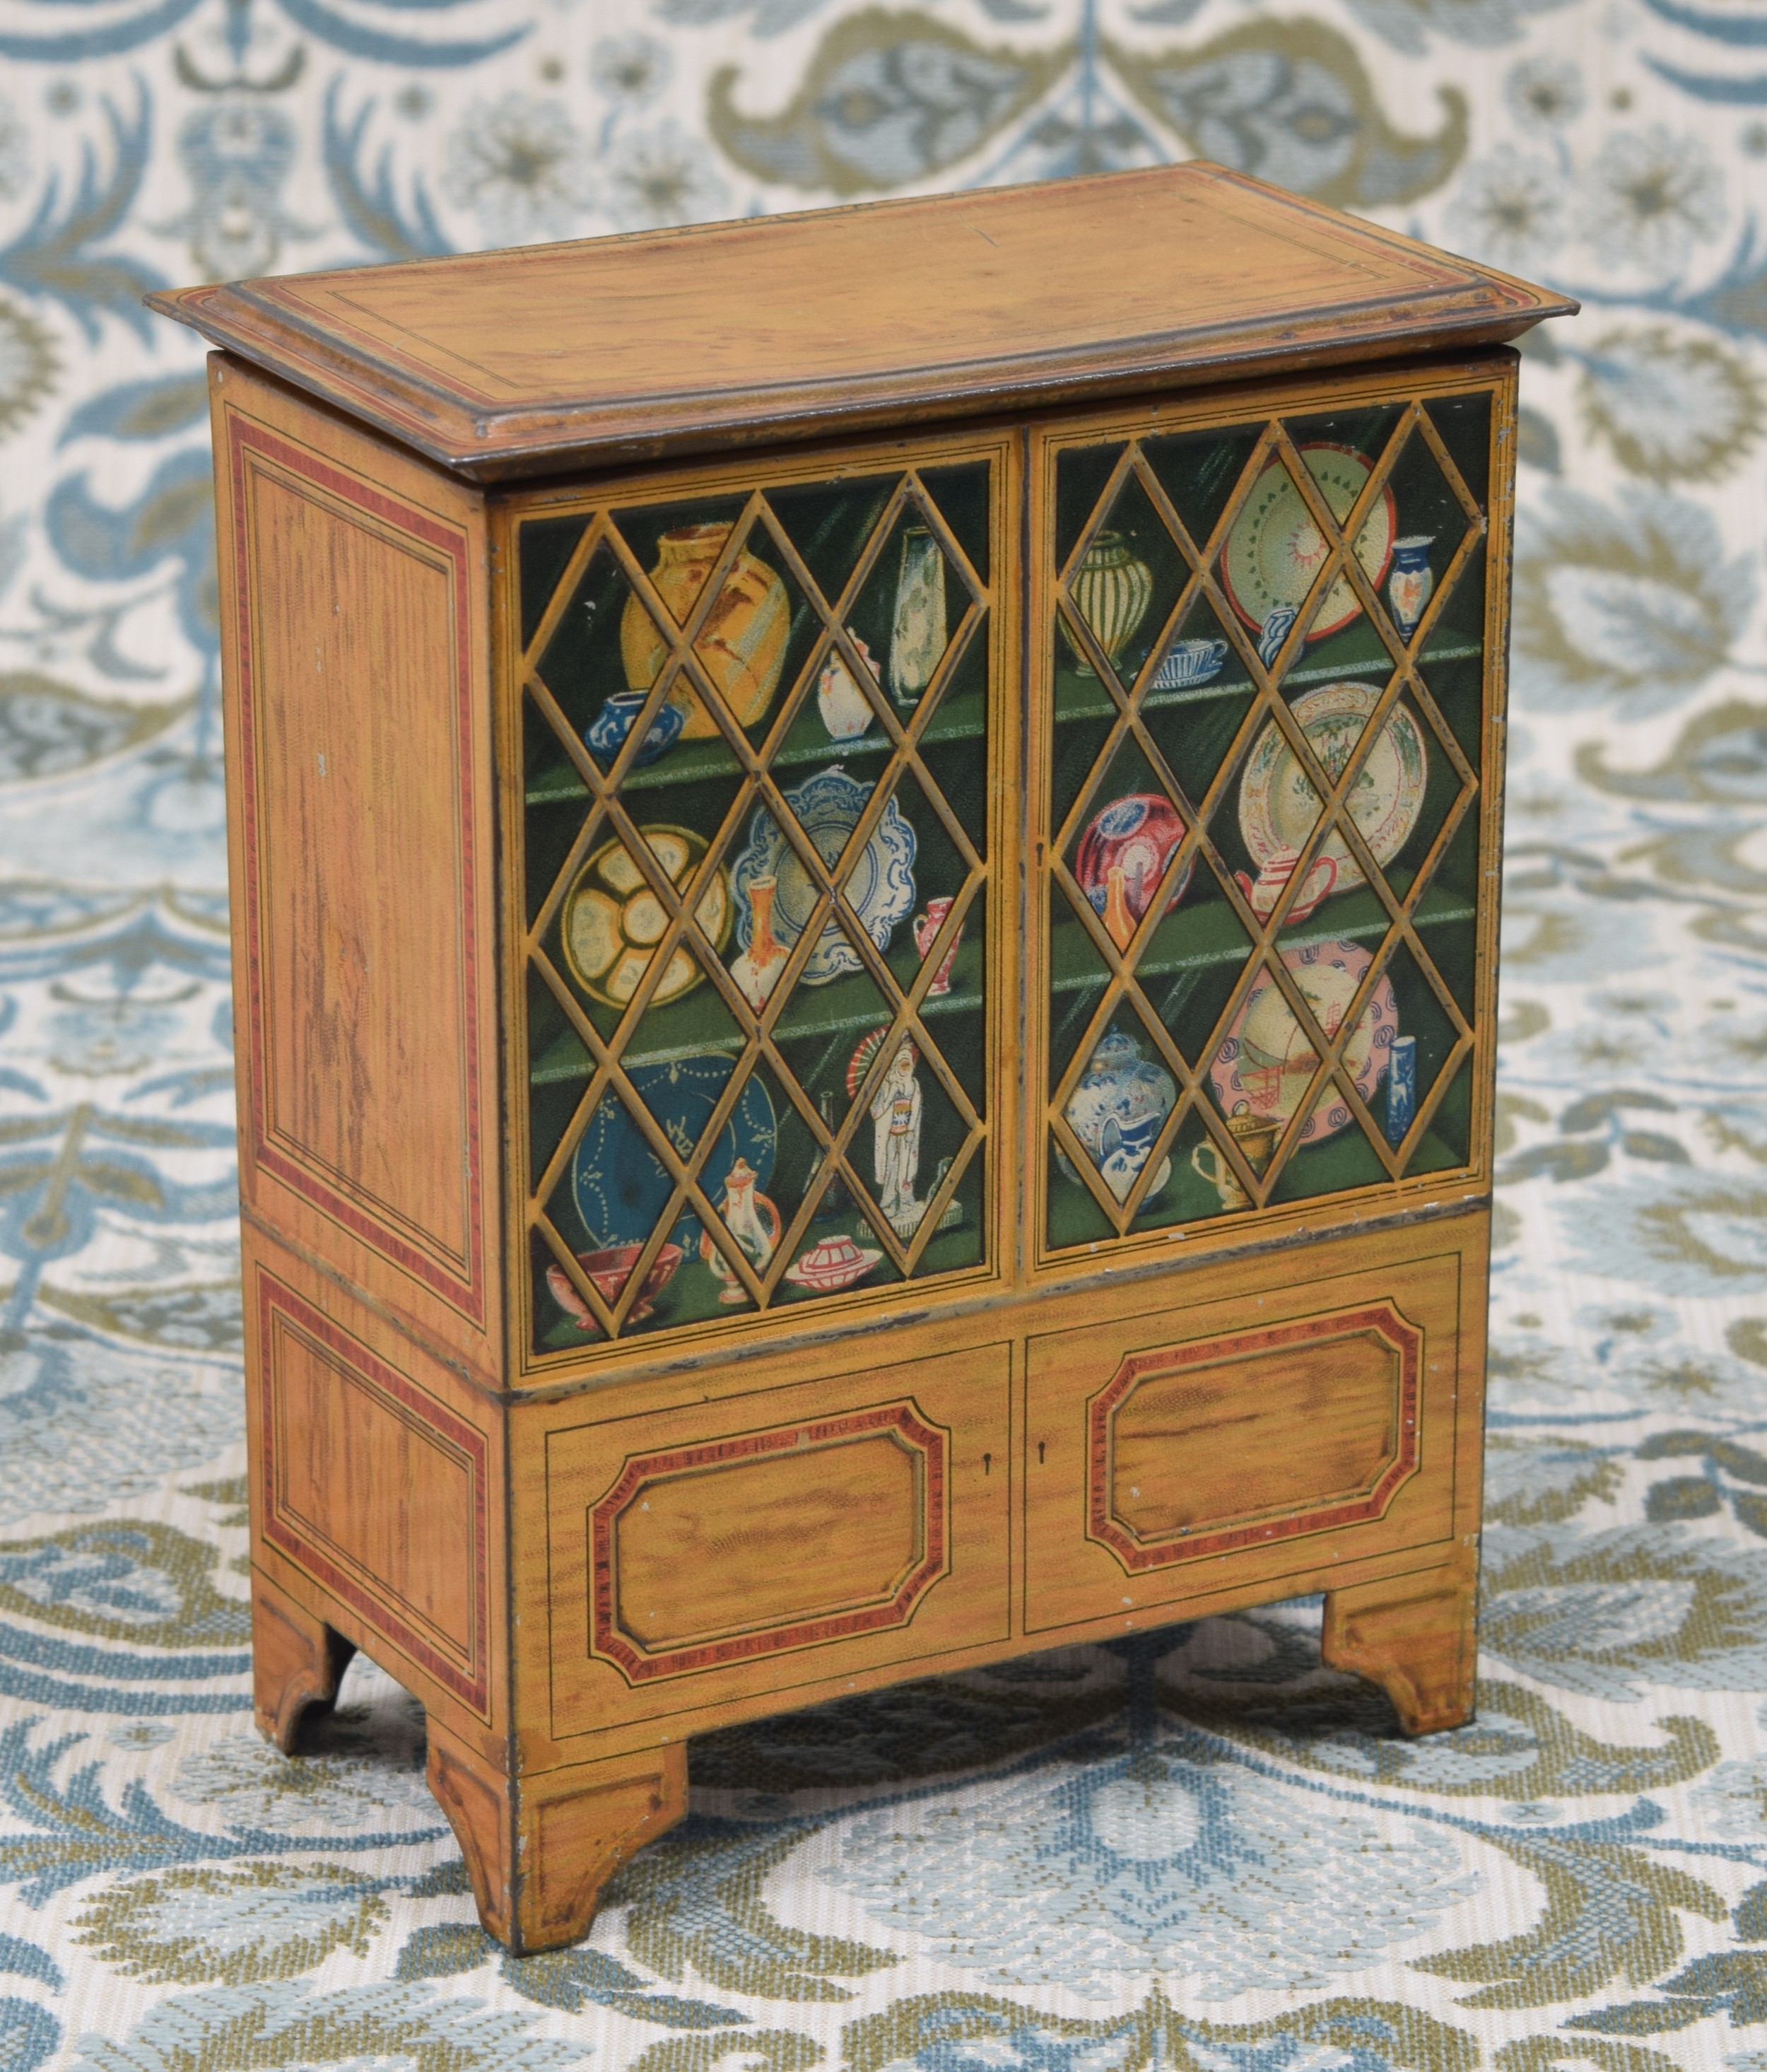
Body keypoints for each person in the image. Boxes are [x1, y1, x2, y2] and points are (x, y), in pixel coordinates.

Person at [871, 1036, 922, 1232]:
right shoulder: (886, 1085)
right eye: (901, 1064)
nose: (904, 1068)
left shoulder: (914, 1085)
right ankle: (888, 1203)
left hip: (906, 1135)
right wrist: (891, 1094)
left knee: (906, 1168)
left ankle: (907, 1202)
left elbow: (916, 1109)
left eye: (907, 1064)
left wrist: (910, 1130)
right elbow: (877, 1112)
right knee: (891, 1169)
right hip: (891, 1135)